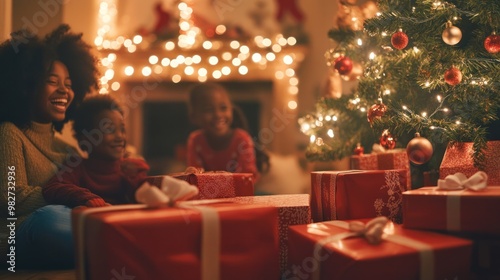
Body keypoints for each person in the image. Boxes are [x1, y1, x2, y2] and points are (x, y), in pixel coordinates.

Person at [0, 24, 99, 268]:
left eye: (69, 83)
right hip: (14, 238)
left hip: (59, 228)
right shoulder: (10, 133)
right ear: (26, 86)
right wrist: (65, 195)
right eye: (53, 81)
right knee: (50, 218)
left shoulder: (69, 151)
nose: (64, 90)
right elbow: (10, 198)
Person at [43, 94, 150, 207]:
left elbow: (144, 192)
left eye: (122, 129)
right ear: (86, 139)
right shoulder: (77, 166)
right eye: (109, 129)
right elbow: (53, 187)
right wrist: (87, 198)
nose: (120, 136)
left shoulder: (129, 168)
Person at [186, 82, 269, 181]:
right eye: (208, 110)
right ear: (194, 117)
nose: (217, 115)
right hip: (209, 194)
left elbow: (248, 179)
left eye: (223, 108)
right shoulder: (195, 140)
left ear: (231, 110)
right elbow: (195, 178)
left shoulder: (242, 139)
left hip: (241, 194)